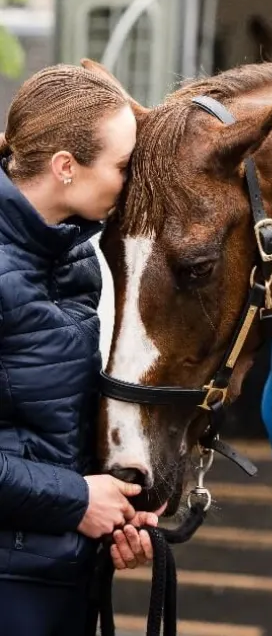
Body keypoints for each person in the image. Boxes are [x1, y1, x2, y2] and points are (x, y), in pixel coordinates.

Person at [0, 63, 160, 636]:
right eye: (123, 166)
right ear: (66, 167)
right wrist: (74, 499)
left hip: (66, 579)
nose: (130, 182)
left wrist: (117, 508)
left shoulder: (78, 258)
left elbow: (51, 423)